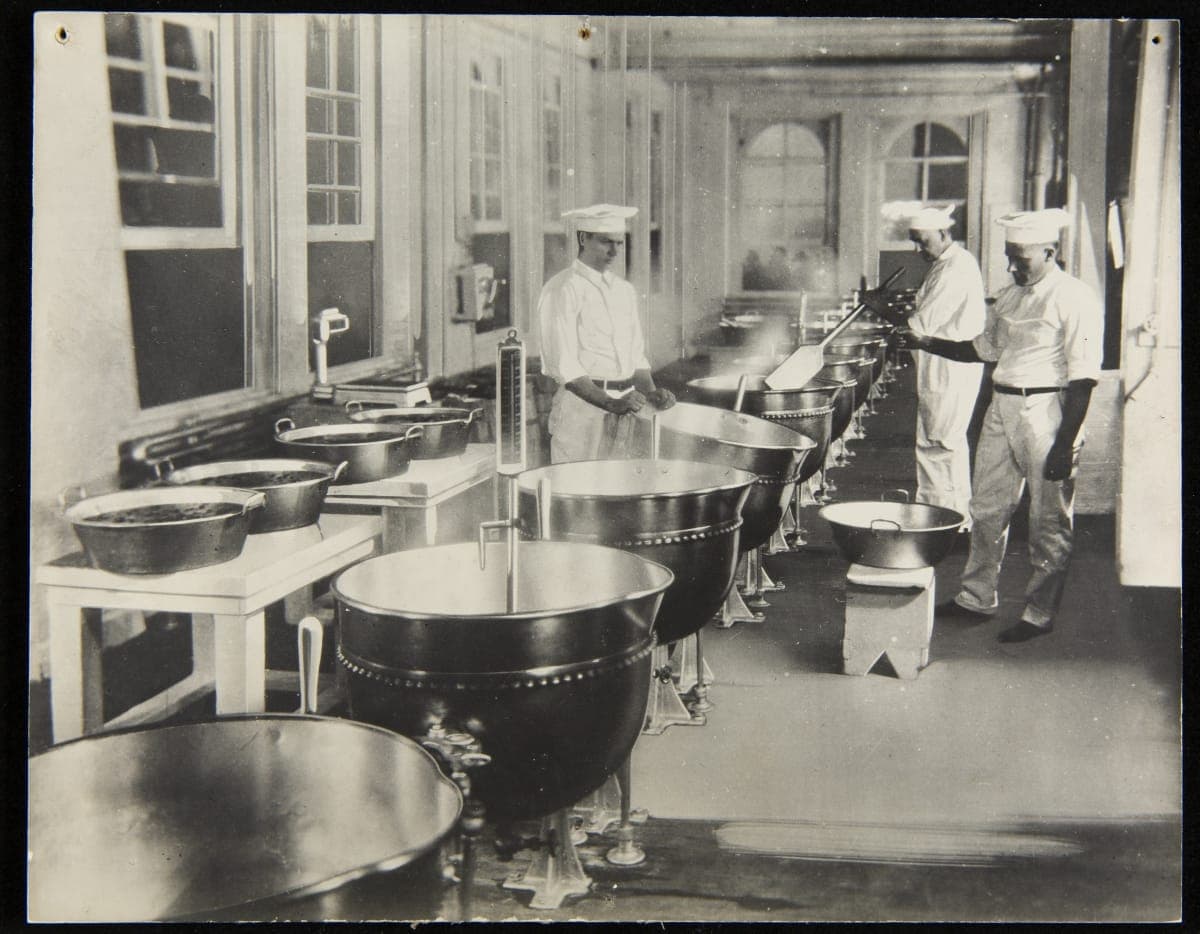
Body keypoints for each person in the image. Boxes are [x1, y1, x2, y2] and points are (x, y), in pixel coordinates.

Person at [894, 208, 1102, 643]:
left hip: (1047, 412)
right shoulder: (1010, 296)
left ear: (1051, 251)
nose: (1010, 265)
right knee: (988, 508)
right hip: (1002, 407)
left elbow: (1083, 378)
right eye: (1008, 255)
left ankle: (1039, 612)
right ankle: (976, 596)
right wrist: (926, 341)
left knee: (1047, 518)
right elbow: (983, 351)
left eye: (1020, 257)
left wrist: (1064, 444)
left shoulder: (1074, 296)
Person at [868, 205, 985, 524]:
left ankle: (942, 520)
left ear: (945, 234)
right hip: (941, 366)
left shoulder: (955, 269)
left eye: (923, 241)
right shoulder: (947, 264)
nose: (919, 250)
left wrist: (881, 309)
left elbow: (918, 326)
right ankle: (954, 518)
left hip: (950, 368)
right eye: (915, 242)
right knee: (943, 442)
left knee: (939, 443)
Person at [537, 203, 675, 464]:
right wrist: (611, 403)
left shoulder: (623, 291)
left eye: (619, 243)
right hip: (582, 412)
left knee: (620, 490)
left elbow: (636, 356)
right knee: (579, 493)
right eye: (605, 242)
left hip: (627, 406)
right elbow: (566, 366)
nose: (614, 251)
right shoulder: (562, 289)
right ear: (582, 239)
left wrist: (652, 391)